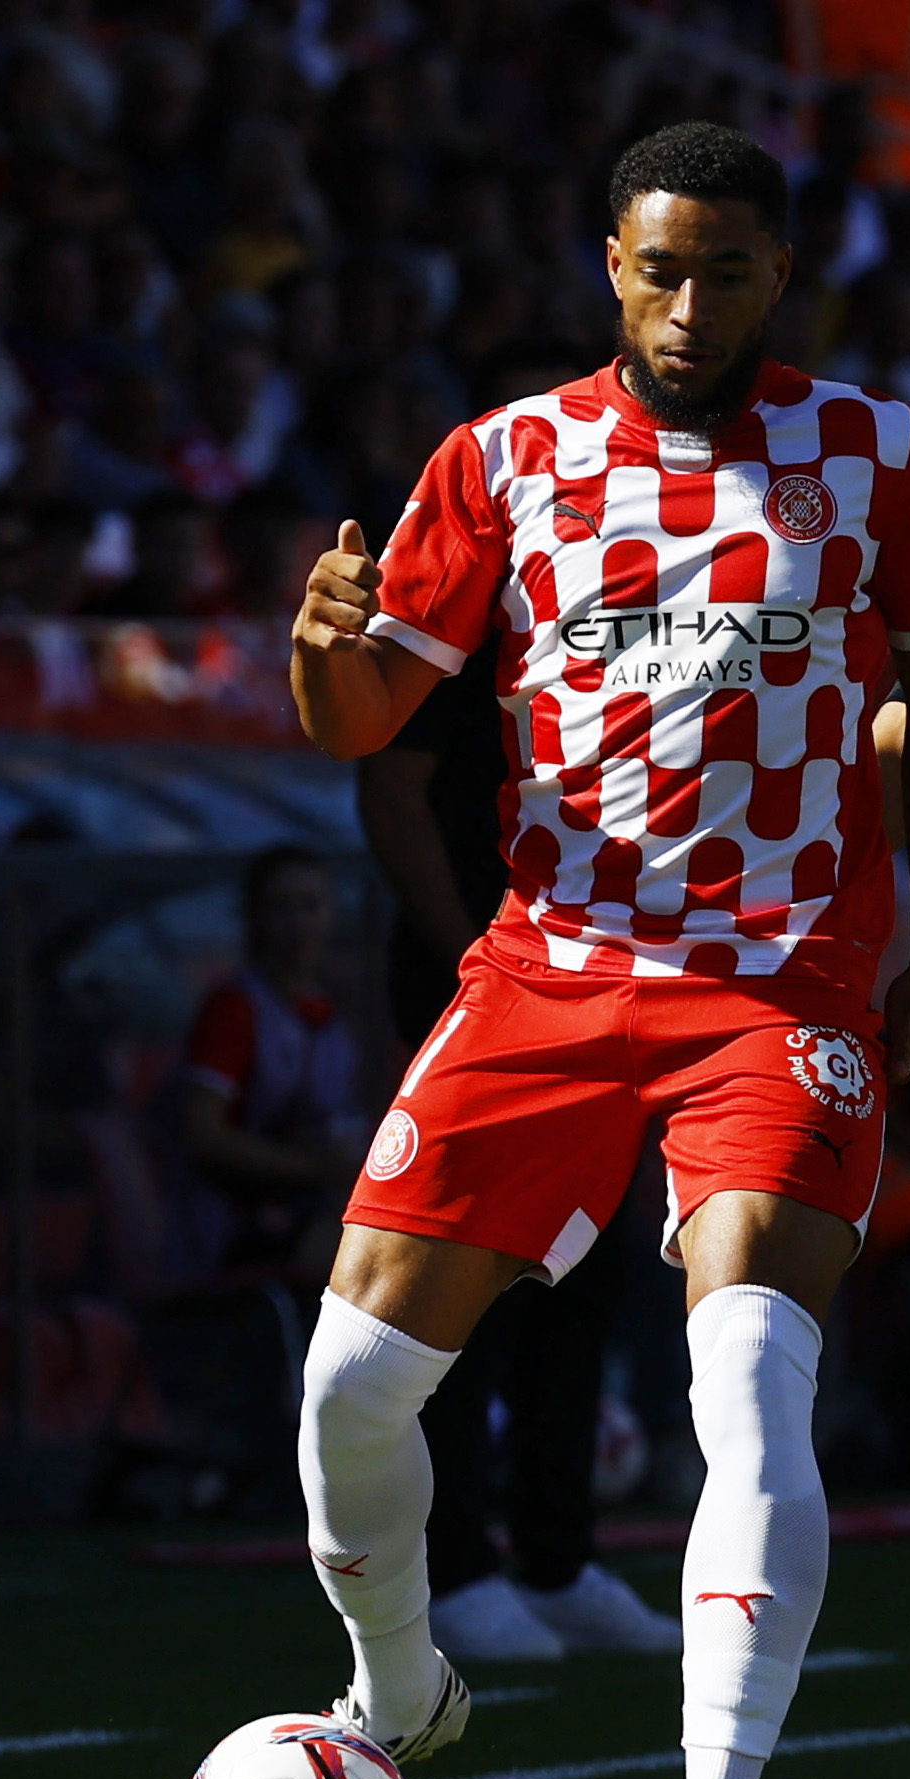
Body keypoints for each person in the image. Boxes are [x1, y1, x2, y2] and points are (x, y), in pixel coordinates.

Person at [285, 122, 910, 1779]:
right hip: (554, 967)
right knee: (350, 1389)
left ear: (782, 276)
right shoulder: (505, 457)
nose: (691, 305)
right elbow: (368, 722)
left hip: (779, 984)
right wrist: (317, 646)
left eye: (729, 270)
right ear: (610, 261)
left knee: (747, 1385)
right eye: (660, 268)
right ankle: (396, 1684)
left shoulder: (876, 451)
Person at [356, 529, 679, 1665]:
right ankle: (454, 1570)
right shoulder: (473, 622)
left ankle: (556, 1555)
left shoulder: (626, 627)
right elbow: (391, 791)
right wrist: (475, 975)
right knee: (448, 1285)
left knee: (578, 1282)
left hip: (604, 991)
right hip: (490, 994)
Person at [180, 845, 371, 1283]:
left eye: (311, 906)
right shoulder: (235, 1009)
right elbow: (203, 1133)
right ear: (254, 918)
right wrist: (318, 1169)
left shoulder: (333, 1013)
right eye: (281, 908)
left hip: (311, 1208)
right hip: (234, 1229)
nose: (299, 925)